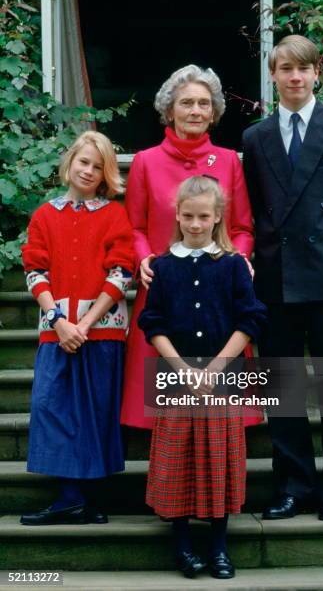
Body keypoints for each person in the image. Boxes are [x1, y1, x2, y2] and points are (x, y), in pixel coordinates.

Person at [242, 35, 323, 522]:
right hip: (275, 279)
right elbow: (256, 210)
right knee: (282, 389)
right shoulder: (255, 138)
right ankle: (294, 487)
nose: (294, 77)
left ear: (318, 73)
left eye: (303, 69)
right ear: (273, 75)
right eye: (285, 69)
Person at [138, 176, 266, 578]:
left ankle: (219, 547)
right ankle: (182, 546)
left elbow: (251, 318)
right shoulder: (163, 266)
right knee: (177, 460)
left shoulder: (231, 266)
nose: (195, 224)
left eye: (203, 217)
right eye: (188, 216)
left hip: (223, 374)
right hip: (175, 375)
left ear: (217, 218)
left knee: (218, 461)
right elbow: (152, 321)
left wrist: (214, 367)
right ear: (177, 214)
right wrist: (181, 369)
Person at [120, 64, 256, 430]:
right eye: (186, 103)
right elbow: (133, 225)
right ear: (170, 110)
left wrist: (238, 257)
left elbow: (243, 226)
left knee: (219, 405)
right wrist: (142, 256)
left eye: (203, 103)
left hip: (217, 288)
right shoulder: (146, 162)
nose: (195, 110)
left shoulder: (228, 160)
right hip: (164, 285)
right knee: (166, 408)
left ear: (213, 113)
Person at [20, 131, 134, 525]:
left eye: (98, 165)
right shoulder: (44, 215)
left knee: (94, 410)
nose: (89, 170)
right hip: (56, 331)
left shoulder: (114, 214)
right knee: (49, 405)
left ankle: (85, 499)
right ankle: (69, 497)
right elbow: (35, 268)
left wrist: (83, 324)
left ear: (106, 175)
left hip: (101, 333)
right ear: (70, 163)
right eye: (84, 161)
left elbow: (122, 271)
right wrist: (58, 320)